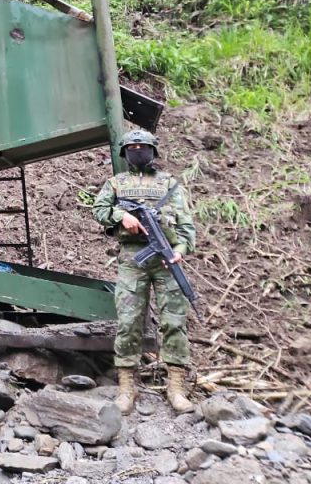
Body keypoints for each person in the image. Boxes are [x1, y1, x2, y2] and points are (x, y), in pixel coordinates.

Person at [92, 129, 197, 414]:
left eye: (143, 147)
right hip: (132, 259)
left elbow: (186, 226)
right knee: (129, 321)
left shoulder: (169, 185)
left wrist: (181, 250)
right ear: (126, 153)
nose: (138, 151)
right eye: (133, 147)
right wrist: (121, 215)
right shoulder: (116, 184)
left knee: (174, 321)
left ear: (153, 151)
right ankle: (127, 388)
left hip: (167, 261)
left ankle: (176, 387)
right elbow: (99, 209)